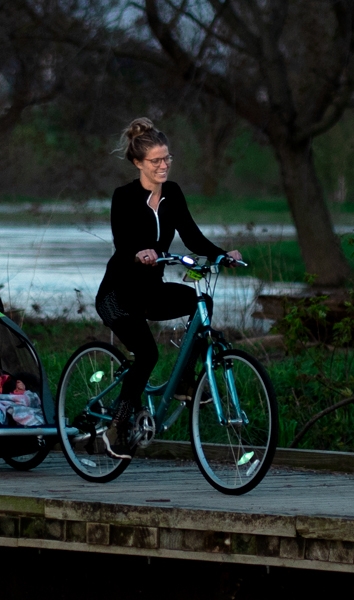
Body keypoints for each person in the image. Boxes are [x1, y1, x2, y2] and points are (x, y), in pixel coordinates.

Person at [95, 117, 242, 459]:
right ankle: (117, 426)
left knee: (198, 300)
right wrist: (138, 252)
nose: (163, 166)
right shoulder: (124, 197)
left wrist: (222, 255)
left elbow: (191, 236)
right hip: (117, 295)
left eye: (167, 159)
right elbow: (122, 240)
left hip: (149, 292)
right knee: (147, 355)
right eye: (156, 161)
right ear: (138, 163)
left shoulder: (172, 193)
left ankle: (185, 383)